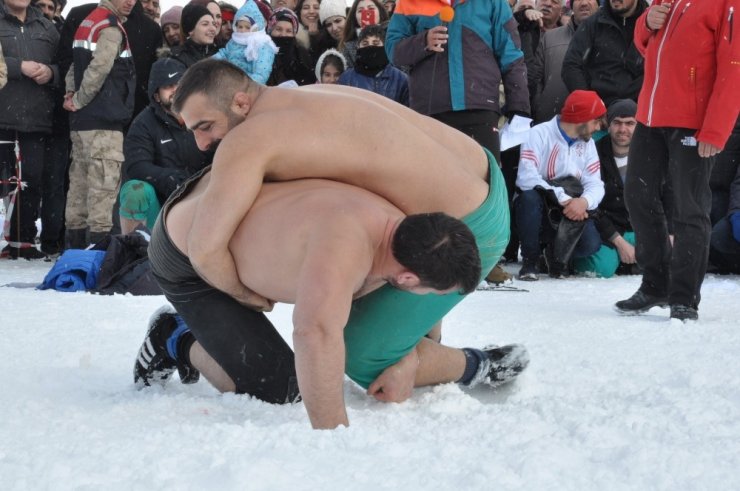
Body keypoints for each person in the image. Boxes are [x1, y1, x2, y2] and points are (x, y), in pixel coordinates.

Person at [150, 59, 515, 429]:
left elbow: (207, 250)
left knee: (362, 355)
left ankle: (459, 363)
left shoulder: (251, 139)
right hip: (481, 176)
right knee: (373, 280)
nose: (202, 143)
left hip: (468, 223)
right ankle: (423, 350)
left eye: (206, 126)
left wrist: (248, 295)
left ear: (242, 103)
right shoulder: (307, 96)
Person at [615, 0, 740, 322]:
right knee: (638, 197)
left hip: (693, 123)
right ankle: (655, 284)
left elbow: (734, 67)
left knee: (689, 209)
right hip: (650, 118)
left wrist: (715, 129)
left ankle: (684, 297)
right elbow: (647, 48)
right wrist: (646, 23)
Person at [385, 0, 529, 167]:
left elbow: (511, 56)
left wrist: (519, 107)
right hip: (430, 113)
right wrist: (423, 41)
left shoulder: (493, 2)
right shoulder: (408, 2)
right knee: (433, 186)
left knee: (485, 185)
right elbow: (392, 49)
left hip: (480, 109)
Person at [63, 0, 136, 248]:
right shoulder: (111, 27)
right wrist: (81, 99)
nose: (131, 2)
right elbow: (100, 68)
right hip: (104, 121)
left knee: (79, 191)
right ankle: (98, 260)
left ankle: (73, 253)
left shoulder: (88, 21)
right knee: (103, 195)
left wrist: (71, 96)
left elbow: (74, 65)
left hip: (82, 123)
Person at [515, 90, 605, 280]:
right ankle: (530, 260)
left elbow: (595, 182)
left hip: (573, 204)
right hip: (543, 202)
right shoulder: (538, 133)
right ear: (582, 118)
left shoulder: (588, 143)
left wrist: (584, 202)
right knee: (528, 198)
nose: (599, 127)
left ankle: (556, 257)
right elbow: (526, 176)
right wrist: (561, 196)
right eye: (596, 121)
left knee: (591, 245)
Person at [119, 58, 212, 234]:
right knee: (135, 190)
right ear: (156, 95)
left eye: (180, 83)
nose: (176, 90)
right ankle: (133, 248)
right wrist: (168, 178)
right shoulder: (143, 123)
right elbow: (136, 166)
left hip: (202, 201)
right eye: (168, 86)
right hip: (160, 206)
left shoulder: (207, 116)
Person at [0, 0, 60, 259]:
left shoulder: (47, 27)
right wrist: (18, 66)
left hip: (37, 118)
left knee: (30, 181)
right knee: (3, 183)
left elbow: (66, 64)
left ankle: (22, 242)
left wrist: (51, 72)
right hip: (2, 116)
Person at [573, 99, 638, 278]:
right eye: (617, 123)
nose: (623, 129)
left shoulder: (650, 156)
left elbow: (666, 197)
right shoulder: (593, 153)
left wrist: (669, 234)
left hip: (641, 229)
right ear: (607, 125)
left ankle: (630, 263)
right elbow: (593, 206)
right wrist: (619, 241)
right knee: (602, 267)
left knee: (672, 257)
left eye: (630, 123)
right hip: (607, 230)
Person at [562, 0, 648, 107]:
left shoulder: (652, 23)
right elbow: (571, 66)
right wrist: (590, 104)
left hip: (644, 111)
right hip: (602, 112)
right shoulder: (592, 24)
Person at [529, 0, 599, 124]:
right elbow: (536, 79)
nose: (584, 3)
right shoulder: (550, 37)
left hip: (594, 124)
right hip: (551, 123)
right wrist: (539, 107)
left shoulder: (608, 37)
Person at [337, 24, 408, 105]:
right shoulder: (347, 79)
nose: (370, 47)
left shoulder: (400, 80)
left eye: (375, 43)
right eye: (365, 44)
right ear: (358, 47)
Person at [212, 0, 277, 84]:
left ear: (256, 28)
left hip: (248, 85)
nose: (243, 30)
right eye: (240, 26)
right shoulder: (234, 41)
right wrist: (208, 63)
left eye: (247, 27)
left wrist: (243, 83)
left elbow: (261, 74)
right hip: (229, 81)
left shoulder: (262, 44)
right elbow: (224, 53)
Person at [266, 8, 316, 86]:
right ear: (270, 30)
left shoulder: (301, 55)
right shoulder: (261, 53)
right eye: (278, 29)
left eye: (289, 31)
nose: (283, 34)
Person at [340, 0, 387, 69]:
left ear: (380, 12)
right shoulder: (347, 49)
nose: (366, 13)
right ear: (355, 17)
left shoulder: (394, 39)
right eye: (360, 11)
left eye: (371, 9)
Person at [169, 3, 217, 69]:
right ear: (190, 30)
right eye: (205, 24)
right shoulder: (176, 57)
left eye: (213, 24)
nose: (213, 29)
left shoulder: (220, 53)